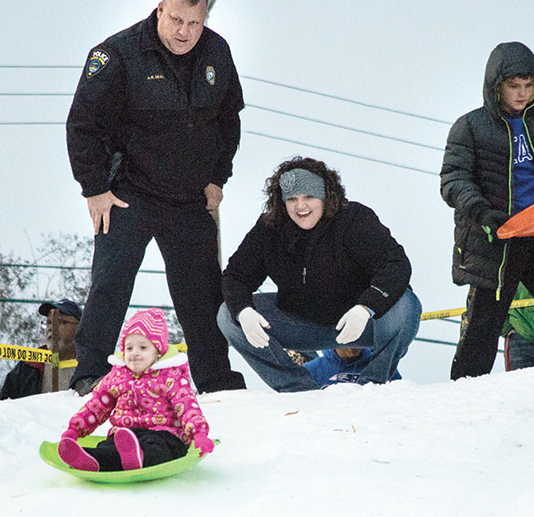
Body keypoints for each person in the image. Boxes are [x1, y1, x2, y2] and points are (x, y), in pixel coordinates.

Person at [65, 0, 245, 395]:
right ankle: (88, 373)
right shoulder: (118, 55)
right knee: (111, 281)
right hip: (130, 191)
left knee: (202, 292)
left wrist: (219, 176)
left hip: (189, 197)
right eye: (177, 20)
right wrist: (94, 189)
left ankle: (217, 381)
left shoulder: (218, 53)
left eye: (195, 24)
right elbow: (82, 125)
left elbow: (229, 119)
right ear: (160, 9)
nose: (184, 32)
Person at [217, 156, 422, 393]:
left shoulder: (354, 218)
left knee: (406, 303)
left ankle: (374, 385)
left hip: (359, 321)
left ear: (326, 196)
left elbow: (395, 265)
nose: (300, 206)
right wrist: (243, 311)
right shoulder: (270, 228)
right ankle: (298, 389)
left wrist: (366, 307)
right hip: (300, 323)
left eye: (309, 197)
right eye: (292, 199)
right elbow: (235, 276)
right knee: (227, 315)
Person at [440, 41, 534, 380]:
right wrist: (481, 213)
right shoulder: (470, 127)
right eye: (514, 86)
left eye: (529, 85)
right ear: (496, 86)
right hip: (495, 237)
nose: (522, 94)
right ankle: (463, 397)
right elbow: (453, 180)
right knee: (482, 327)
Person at [57, 308, 214, 472]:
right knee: (109, 448)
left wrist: (198, 434)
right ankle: (89, 459)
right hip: (125, 435)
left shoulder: (170, 376)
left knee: (158, 450)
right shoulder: (117, 376)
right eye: (129, 348)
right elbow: (96, 405)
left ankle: (138, 458)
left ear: (158, 352)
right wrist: (74, 429)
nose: (134, 354)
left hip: (164, 434)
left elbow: (187, 405)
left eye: (143, 348)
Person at [304, 348, 402, 388]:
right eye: (349, 340)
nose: (354, 346)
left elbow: (399, 396)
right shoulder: (312, 369)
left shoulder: (381, 365)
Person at [500, 283, 534, 371]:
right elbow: (492, 293)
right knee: (519, 384)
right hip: (519, 337)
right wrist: (506, 328)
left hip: (519, 335)